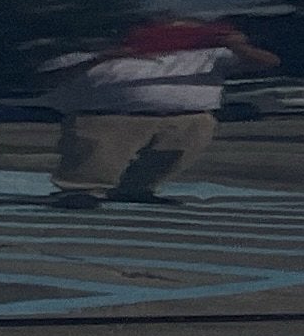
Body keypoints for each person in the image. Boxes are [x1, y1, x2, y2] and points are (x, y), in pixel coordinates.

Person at [39, 15, 276, 207]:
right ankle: (79, 191)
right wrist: (107, 56)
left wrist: (236, 44)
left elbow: (266, 62)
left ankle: (137, 190)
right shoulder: (92, 54)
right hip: (110, 117)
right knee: (97, 155)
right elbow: (51, 77)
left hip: (189, 117)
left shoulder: (211, 54)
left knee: (171, 155)